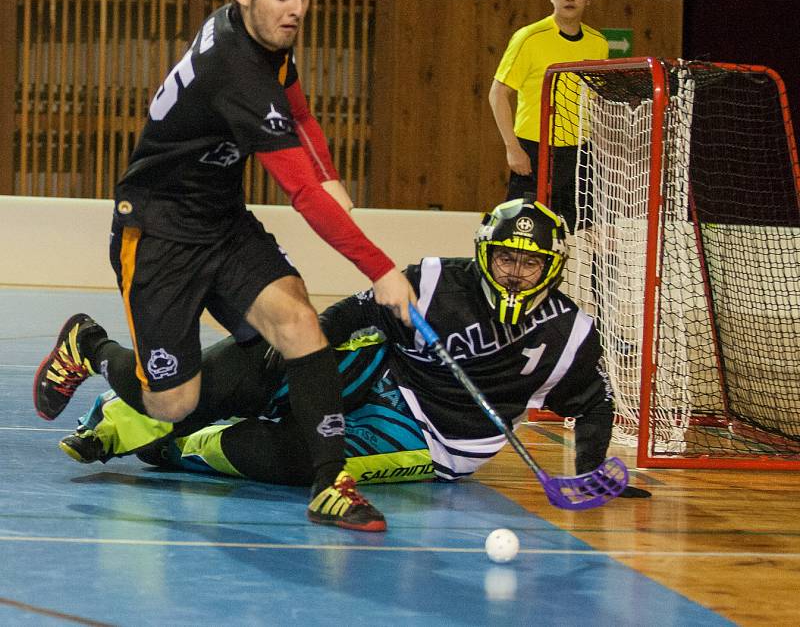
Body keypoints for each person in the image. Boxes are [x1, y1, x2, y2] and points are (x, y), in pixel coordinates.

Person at [32, 0, 418, 533]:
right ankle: (88, 345)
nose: (297, 10)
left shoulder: (260, 34)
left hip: (221, 219)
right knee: (171, 402)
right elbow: (299, 196)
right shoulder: (236, 70)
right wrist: (381, 270)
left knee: (298, 322)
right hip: (158, 234)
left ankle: (330, 482)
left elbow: (299, 108)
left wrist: (332, 174)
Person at [55, 199, 650, 500]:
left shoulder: (570, 332)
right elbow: (357, 312)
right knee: (247, 371)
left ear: (553, 269)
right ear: (485, 252)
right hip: (386, 368)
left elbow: (592, 405)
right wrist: (300, 348)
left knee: (299, 460)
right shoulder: (437, 278)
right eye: (506, 258)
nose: (517, 272)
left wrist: (592, 473)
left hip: (435, 443)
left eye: (531, 263)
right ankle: (110, 409)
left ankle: (177, 448)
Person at [489, 0, 608, 230]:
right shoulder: (529, 37)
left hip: (579, 151)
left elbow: (596, 97)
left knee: (579, 230)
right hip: (534, 148)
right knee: (523, 229)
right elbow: (498, 93)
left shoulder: (598, 42)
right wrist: (513, 148)